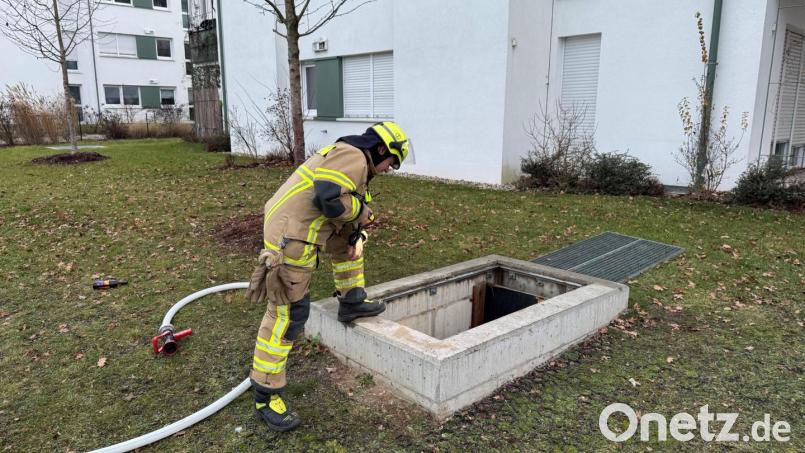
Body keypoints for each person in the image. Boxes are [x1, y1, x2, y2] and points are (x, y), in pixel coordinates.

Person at [244, 121, 412, 432]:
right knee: (289, 313)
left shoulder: (355, 161)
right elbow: (329, 197)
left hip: (300, 226)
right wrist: (361, 211)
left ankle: (351, 300)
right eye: (392, 161)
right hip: (290, 235)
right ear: (379, 150)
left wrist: (359, 223)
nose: (391, 169)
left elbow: (345, 208)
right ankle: (266, 394)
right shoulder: (354, 156)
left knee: (350, 238)